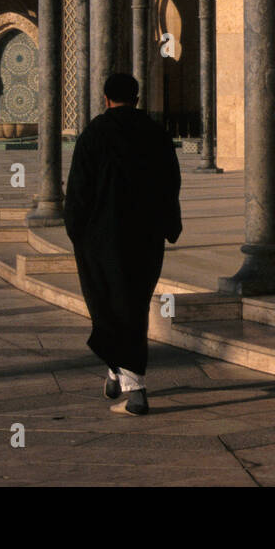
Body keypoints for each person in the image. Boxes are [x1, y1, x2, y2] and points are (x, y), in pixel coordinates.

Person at [64, 73, 182, 416]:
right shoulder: (156, 133)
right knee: (131, 304)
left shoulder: (94, 135)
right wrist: (167, 225)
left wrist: (77, 233)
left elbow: (78, 190)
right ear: (137, 97)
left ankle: (136, 390)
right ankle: (116, 371)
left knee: (110, 305)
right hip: (144, 237)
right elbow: (170, 183)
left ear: (105, 98)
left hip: (103, 238)